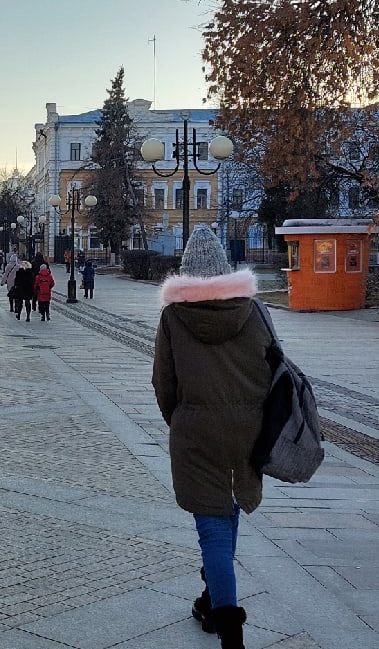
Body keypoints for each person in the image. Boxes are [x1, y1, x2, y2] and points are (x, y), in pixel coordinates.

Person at [150, 225, 271, 649]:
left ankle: (229, 631)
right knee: (229, 507)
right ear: (223, 268)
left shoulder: (173, 317)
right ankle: (210, 596)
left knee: (212, 526)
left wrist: (182, 421)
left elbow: (163, 383)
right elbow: (273, 369)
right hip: (247, 431)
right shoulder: (255, 312)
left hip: (197, 433)